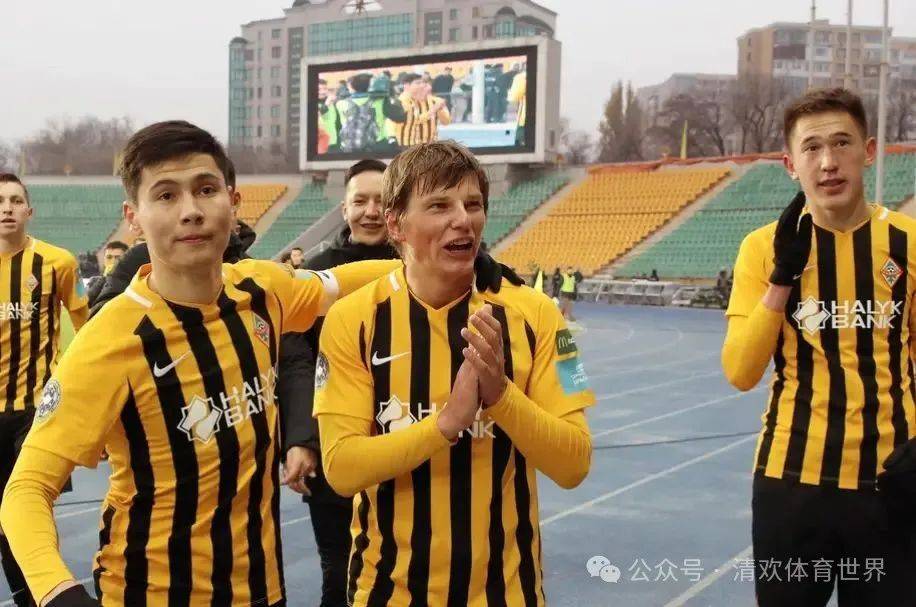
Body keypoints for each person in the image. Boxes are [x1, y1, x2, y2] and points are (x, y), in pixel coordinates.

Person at [0, 121, 402, 607]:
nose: (190, 210)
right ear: (133, 217)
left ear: (233, 203)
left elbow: (344, 281)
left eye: (206, 189)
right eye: (166, 195)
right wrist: (58, 594)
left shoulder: (261, 289)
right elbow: (26, 488)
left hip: (263, 591)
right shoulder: (109, 341)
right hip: (152, 595)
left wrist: (434, 263)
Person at [313, 141, 593, 606]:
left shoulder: (539, 315)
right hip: (387, 593)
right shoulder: (353, 319)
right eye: (439, 205)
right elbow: (341, 468)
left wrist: (501, 396)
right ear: (396, 224)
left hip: (506, 593)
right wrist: (445, 425)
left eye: (473, 204)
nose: (463, 219)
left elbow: (574, 464)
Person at [722, 88, 916, 606]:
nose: (828, 162)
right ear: (791, 164)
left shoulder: (909, 242)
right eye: (811, 148)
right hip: (791, 482)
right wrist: (781, 280)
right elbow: (740, 371)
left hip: (892, 482)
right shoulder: (761, 249)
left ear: (868, 151)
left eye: (841, 143)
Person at [0, 173, 88, 607]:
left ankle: (41, 597)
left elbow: (88, 330)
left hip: (36, 411)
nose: (7, 208)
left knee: (28, 508)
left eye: (16, 200)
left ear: (29, 211)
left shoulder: (58, 263)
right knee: (6, 518)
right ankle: (29, 594)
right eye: (0, 201)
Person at [392, 73, 450, 147]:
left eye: (427, 89)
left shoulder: (436, 101)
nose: (423, 91)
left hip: (431, 143)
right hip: (411, 144)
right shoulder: (408, 101)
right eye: (420, 88)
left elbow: (446, 122)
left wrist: (440, 110)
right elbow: (415, 119)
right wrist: (433, 110)